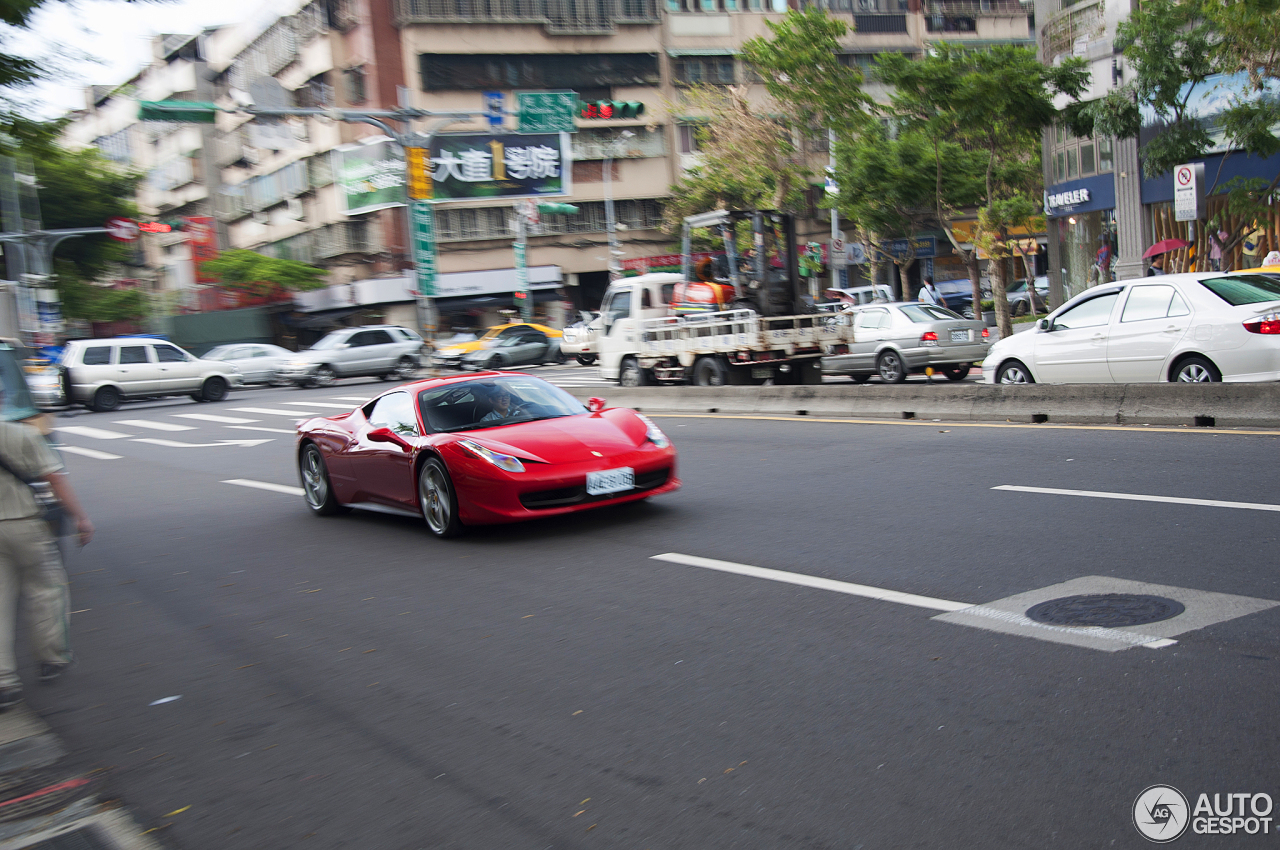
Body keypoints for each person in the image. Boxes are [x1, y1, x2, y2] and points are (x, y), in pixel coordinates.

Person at [0, 402, 93, 711]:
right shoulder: (23, 434)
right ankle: (51, 659)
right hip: (26, 525)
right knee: (47, 591)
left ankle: (4, 682)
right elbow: (56, 479)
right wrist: (81, 518)